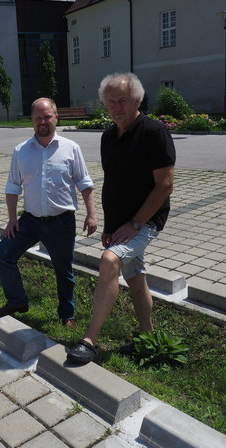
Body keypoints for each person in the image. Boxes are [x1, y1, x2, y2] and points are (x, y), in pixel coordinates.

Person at [67, 73, 176, 364]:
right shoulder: (108, 136)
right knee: (135, 277)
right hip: (122, 224)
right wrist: (111, 226)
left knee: (109, 260)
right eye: (111, 102)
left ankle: (89, 340)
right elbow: (113, 183)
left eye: (123, 101)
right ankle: (148, 339)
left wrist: (135, 224)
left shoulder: (154, 132)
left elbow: (165, 185)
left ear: (137, 100)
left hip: (147, 221)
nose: (116, 106)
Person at [0, 97, 97, 327]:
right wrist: (11, 219)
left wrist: (91, 214)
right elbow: (12, 187)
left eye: (47, 116)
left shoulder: (71, 148)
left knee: (63, 271)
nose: (43, 121)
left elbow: (84, 182)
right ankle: (17, 301)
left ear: (56, 117)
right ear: (32, 120)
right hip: (29, 221)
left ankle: (67, 315)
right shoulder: (21, 151)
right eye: (38, 117)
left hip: (61, 223)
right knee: (3, 255)